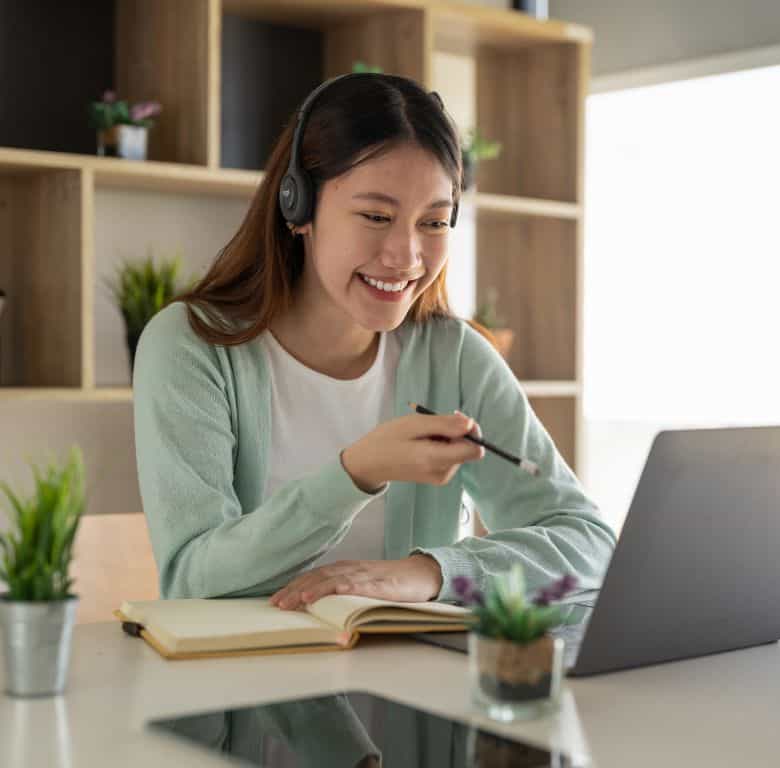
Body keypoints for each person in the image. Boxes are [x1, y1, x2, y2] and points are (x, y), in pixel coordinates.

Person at [132, 72, 616, 609]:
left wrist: (433, 573)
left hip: (408, 687)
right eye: (376, 216)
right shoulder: (190, 347)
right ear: (298, 208)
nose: (406, 256)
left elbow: (589, 544)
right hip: (245, 686)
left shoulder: (453, 357)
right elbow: (192, 579)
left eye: (433, 223)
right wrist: (355, 474)